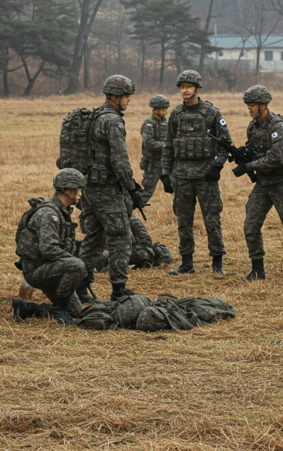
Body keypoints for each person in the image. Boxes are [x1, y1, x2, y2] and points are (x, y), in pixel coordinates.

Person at [78, 75, 142, 301]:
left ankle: (79, 288)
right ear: (115, 96)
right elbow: (120, 160)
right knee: (120, 237)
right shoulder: (112, 121)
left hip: (90, 187)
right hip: (107, 189)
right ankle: (118, 290)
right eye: (126, 96)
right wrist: (132, 187)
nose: (129, 101)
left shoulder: (96, 116)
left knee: (94, 237)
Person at [161, 70, 230, 276]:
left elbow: (226, 143)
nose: (185, 90)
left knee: (212, 220)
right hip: (181, 176)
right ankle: (186, 262)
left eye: (188, 87)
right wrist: (165, 174)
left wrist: (217, 166)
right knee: (183, 221)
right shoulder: (176, 114)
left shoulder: (212, 113)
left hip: (205, 175)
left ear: (197, 89)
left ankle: (217, 262)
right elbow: (168, 146)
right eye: (182, 87)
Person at [238, 86, 283, 283]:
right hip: (263, 184)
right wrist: (242, 154)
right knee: (251, 224)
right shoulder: (253, 126)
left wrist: (250, 165)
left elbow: (276, 158)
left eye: (252, 105)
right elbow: (253, 149)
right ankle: (257, 269)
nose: (249, 109)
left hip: (282, 183)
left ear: (264, 106)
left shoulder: (278, 127)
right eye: (248, 105)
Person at [13, 169, 90, 325]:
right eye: (79, 190)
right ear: (69, 190)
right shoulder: (49, 214)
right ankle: (58, 310)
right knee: (77, 266)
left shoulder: (62, 213)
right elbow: (48, 249)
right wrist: (75, 264)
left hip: (50, 268)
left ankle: (27, 308)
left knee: (77, 312)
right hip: (38, 270)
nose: (81, 194)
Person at [140, 94, 170, 203]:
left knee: (177, 187)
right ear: (155, 110)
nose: (166, 112)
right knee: (146, 193)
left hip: (166, 163)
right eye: (163, 109)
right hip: (153, 164)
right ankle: (128, 212)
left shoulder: (165, 123)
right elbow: (148, 143)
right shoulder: (149, 124)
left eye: (166, 109)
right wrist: (167, 147)